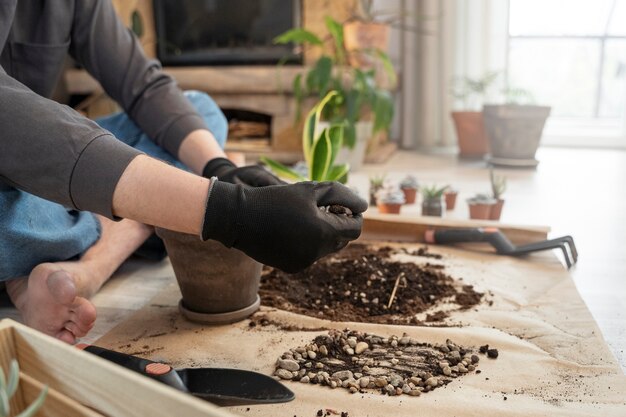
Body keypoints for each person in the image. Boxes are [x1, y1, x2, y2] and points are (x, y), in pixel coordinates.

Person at [0, 0, 367, 344]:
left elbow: (143, 86)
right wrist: (229, 212)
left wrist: (220, 168)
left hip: (47, 163)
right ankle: (80, 262)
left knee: (199, 110)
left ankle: (84, 249)